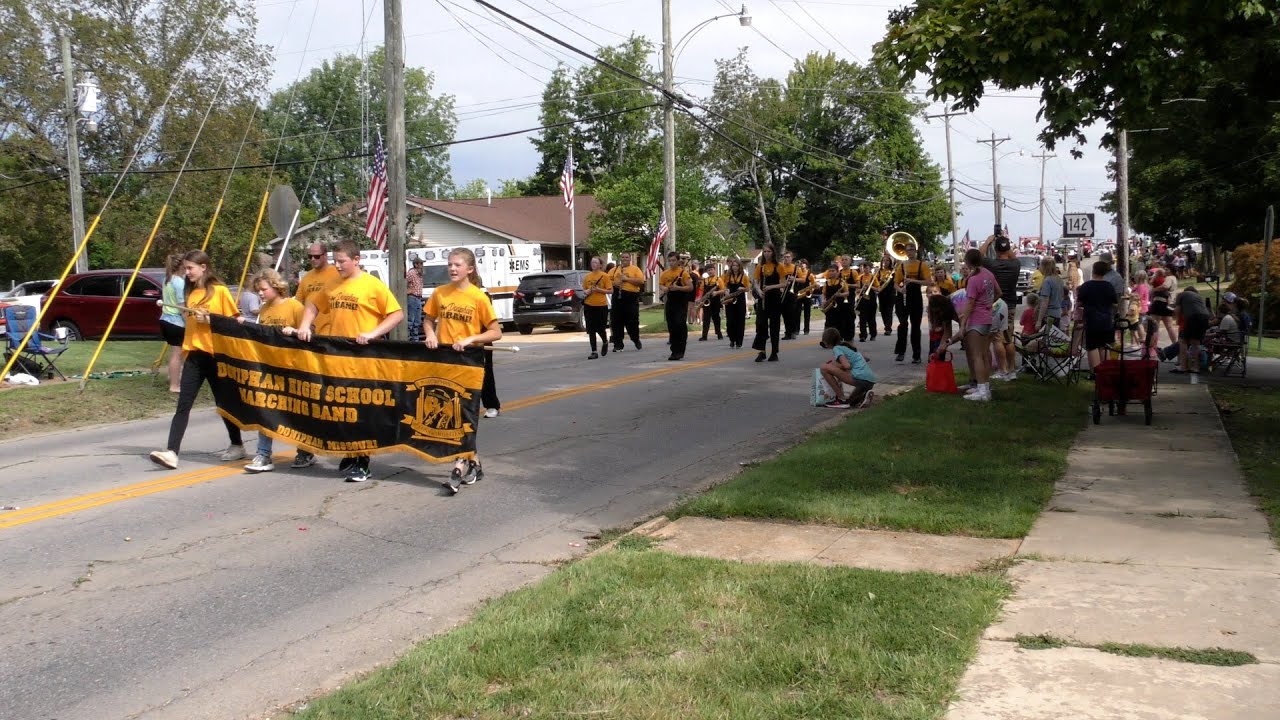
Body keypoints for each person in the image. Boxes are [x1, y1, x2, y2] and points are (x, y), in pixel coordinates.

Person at [297, 239, 404, 482]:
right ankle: (351, 452)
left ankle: (363, 461)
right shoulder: (332, 283)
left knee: (361, 409)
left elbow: (396, 313)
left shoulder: (372, 285)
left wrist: (373, 333)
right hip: (338, 356)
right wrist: (305, 325)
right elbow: (313, 304)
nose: (337, 265)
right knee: (341, 409)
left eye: (342, 261)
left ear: (357, 260)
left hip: (363, 357)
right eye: (335, 261)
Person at [148, 250, 245, 470]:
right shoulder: (190, 292)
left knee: (223, 404)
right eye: (185, 268)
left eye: (191, 268)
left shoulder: (219, 291)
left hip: (216, 355)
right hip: (193, 354)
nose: (187, 272)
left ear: (204, 267)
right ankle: (172, 451)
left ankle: (237, 444)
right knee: (183, 404)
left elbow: (233, 323)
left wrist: (211, 320)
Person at [423, 247, 502, 495]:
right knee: (452, 414)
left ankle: (457, 467)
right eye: (450, 264)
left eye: (457, 265)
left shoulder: (478, 297)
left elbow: (496, 332)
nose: (452, 268)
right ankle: (475, 464)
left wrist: (471, 339)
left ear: (470, 269)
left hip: (470, 362)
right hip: (446, 362)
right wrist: (430, 336)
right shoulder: (439, 293)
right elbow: (428, 319)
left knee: (463, 415)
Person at [242, 269, 305, 474]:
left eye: (263, 289)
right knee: (265, 409)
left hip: (293, 368)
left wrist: (294, 332)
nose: (260, 293)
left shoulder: (294, 306)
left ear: (275, 286)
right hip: (268, 367)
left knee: (296, 413)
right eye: (258, 290)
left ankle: (304, 450)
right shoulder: (264, 310)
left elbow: (309, 332)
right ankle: (263, 453)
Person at [289, 242, 342, 470]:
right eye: (310, 256)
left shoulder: (336, 275)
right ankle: (306, 449)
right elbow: (299, 304)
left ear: (326, 255)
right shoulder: (307, 278)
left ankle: (346, 446)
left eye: (317, 256)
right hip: (310, 342)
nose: (313, 260)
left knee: (336, 397)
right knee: (309, 395)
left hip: (333, 343)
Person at [959, 248, 997, 401]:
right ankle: (985, 387)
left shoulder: (973, 279)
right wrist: (988, 303)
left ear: (968, 262)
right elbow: (999, 292)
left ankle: (982, 391)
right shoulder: (989, 274)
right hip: (987, 317)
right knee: (983, 354)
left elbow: (970, 303)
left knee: (977, 356)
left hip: (976, 320)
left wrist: (963, 323)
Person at [818, 327, 876, 409]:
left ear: (826, 342)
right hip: (870, 380)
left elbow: (847, 366)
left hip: (860, 379)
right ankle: (862, 397)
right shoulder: (847, 347)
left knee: (824, 367)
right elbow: (866, 358)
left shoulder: (836, 349)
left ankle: (841, 399)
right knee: (850, 403)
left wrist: (836, 365)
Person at [1076, 261, 1119, 370]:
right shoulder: (1109, 286)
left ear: (1094, 271)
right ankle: (1107, 371)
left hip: (1092, 320)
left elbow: (1079, 303)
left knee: (1092, 346)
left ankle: (1096, 372)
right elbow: (1115, 304)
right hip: (1106, 321)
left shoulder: (1087, 286)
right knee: (1104, 347)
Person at [893, 243, 931, 363]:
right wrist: (900, 289)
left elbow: (929, 282)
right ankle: (900, 352)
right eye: (908, 250)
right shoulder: (902, 265)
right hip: (903, 297)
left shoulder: (922, 265)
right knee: (903, 324)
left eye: (912, 250)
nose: (910, 252)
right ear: (905, 252)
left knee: (916, 327)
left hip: (916, 297)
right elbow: (895, 283)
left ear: (915, 251)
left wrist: (912, 281)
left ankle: (916, 355)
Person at [751, 244, 786, 362]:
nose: (766, 254)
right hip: (763, 298)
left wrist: (771, 287)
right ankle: (762, 351)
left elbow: (784, 284)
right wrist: (759, 291)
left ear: (773, 253)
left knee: (774, 326)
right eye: (765, 251)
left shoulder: (779, 266)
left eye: (769, 251)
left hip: (775, 298)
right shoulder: (760, 267)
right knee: (761, 325)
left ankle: (774, 352)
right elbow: (755, 282)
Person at [158, 253, 186, 393]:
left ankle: (173, 377)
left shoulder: (167, 279)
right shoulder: (179, 282)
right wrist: (189, 323)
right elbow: (182, 307)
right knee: (177, 353)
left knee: (177, 353)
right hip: (176, 322)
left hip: (165, 320)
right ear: (181, 266)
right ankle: (174, 385)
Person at [1172, 285, 1211, 383]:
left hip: (1193, 317)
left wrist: (1176, 321)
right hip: (1205, 317)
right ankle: (1195, 367)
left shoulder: (1181, 295)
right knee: (1196, 342)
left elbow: (1177, 309)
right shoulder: (1198, 297)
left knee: (1183, 341)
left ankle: (1183, 367)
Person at [659, 251, 693, 361]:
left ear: (678, 261)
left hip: (681, 301)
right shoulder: (665, 273)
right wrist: (663, 288)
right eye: (669, 261)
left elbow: (690, 287)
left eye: (673, 260)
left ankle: (680, 350)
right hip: (671, 300)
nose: (671, 263)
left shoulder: (683, 273)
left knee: (680, 324)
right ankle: (674, 350)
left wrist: (678, 288)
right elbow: (661, 284)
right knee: (672, 325)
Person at [608, 252, 644, 352]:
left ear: (630, 259)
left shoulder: (635, 269)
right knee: (616, 321)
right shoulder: (614, 270)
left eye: (627, 257)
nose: (624, 259)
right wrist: (615, 283)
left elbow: (641, 281)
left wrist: (627, 279)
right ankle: (618, 344)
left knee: (632, 320)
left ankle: (635, 339)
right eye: (623, 257)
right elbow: (607, 282)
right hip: (617, 297)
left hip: (631, 297)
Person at [581, 256, 612, 359]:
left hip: (601, 305)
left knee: (600, 328)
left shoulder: (604, 276)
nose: (593, 264)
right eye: (592, 262)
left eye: (595, 262)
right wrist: (588, 291)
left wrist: (599, 290)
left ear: (600, 265)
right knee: (591, 329)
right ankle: (594, 351)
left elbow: (610, 291)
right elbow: (584, 290)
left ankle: (605, 341)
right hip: (589, 305)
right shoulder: (587, 277)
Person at [722, 258, 751, 348]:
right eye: (733, 265)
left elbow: (748, 288)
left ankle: (739, 341)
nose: (735, 267)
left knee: (740, 321)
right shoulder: (727, 276)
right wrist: (725, 290)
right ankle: (732, 339)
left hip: (740, 300)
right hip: (730, 299)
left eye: (737, 266)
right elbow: (722, 284)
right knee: (730, 321)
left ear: (739, 267)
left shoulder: (744, 276)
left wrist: (742, 288)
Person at [821, 256, 851, 339]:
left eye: (833, 271)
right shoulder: (827, 282)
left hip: (839, 305)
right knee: (828, 323)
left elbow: (847, 293)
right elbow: (824, 293)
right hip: (829, 305)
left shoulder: (842, 282)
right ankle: (826, 340)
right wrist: (824, 301)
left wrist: (839, 295)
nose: (831, 273)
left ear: (838, 272)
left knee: (839, 322)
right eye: (830, 271)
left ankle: (838, 338)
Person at [1148, 266, 1178, 347]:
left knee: (1155, 327)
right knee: (1169, 327)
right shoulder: (1174, 278)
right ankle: (1175, 346)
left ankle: (1152, 347)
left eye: (1167, 269)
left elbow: (1165, 286)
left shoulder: (1168, 278)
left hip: (1159, 303)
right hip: (1169, 304)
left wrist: (1153, 290)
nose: (1165, 270)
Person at [927, 293, 960, 359]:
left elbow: (963, 331)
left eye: (936, 313)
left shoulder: (958, 305)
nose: (938, 316)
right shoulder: (945, 309)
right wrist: (939, 349)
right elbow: (947, 333)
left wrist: (947, 343)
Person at [1034, 257, 1064, 329]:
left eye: (1040, 265)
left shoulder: (1047, 281)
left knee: (1046, 338)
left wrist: (1039, 321)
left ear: (1045, 267)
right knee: (1053, 339)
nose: (1039, 267)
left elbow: (1045, 302)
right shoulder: (1059, 279)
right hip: (1057, 313)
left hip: (1049, 316)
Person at [699, 263, 723, 341]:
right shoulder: (705, 280)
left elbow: (723, 290)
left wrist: (716, 293)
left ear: (714, 270)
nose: (710, 271)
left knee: (716, 318)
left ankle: (719, 333)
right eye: (708, 270)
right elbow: (701, 290)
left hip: (715, 301)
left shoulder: (718, 279)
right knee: (706, 318)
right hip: (707, 301)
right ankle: (704, 335)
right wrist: (700, 299)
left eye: (711, 270)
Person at [856, 260, 878, 341]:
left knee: (871, 319)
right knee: (862, 319)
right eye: (864, 268)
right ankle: (863, 335)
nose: (865, 269)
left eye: (867, 268)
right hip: (862, 300)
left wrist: (870, 286)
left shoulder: (873, 277)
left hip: (871, 300)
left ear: (870, 269)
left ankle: (873, 334)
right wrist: (861, 289)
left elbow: (878, 289)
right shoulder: (860, 277)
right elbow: (857, 290)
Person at [406, 254, 425, 342]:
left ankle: (415, 340)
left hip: (418, 299)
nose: (422, 265)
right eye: (420, 264)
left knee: (417, 321)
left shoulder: (420, 274)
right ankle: (409, 339)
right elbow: (404, 282)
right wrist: (407, 290)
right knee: (411, 321)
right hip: (412, 298)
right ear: (416, 264)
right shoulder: (411, 272)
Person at [780, 251, 799, 339]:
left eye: (788, 257)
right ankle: (787, 333)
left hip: (792, 292)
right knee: (784, 313)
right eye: (785, 257)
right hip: (783, 291)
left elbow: (803, 279)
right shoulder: (781, 267)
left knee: (792, 312)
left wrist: (794, 278)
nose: (786, 259)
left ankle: (793, 331)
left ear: (791, 258)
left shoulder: (796, 268)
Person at [876, 254, 896, 336]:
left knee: (889, 310)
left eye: (887, 260)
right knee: (883, 311)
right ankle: (886, 326)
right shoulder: (879, 271)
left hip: (890, 292)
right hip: (881, 293)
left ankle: (888, 328)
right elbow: (876, 281)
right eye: (884, 260)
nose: (885, 262)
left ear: (890, 262)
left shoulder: (893, 271)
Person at [792, 259, 814, 335]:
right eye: (801, 263)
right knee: (797, 313)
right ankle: (796, 329)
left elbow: (814, 284)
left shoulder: (810, 273)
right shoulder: (797, 272)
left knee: (807, 313)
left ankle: (806, 330)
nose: (802, 265)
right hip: (799, 294)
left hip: (807, 294)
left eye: (803, 263)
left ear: (806, 265)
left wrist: (810, 290)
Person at [686, 260, 703, 327]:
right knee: (693, 307)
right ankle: (693, 321)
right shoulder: (695, 275)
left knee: (690, 307)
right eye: (697, 265)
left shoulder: (690, 274)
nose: (698, 266)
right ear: (695, 265)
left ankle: (688, 320)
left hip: (690, 292)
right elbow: (697, 285)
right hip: (695, 292)